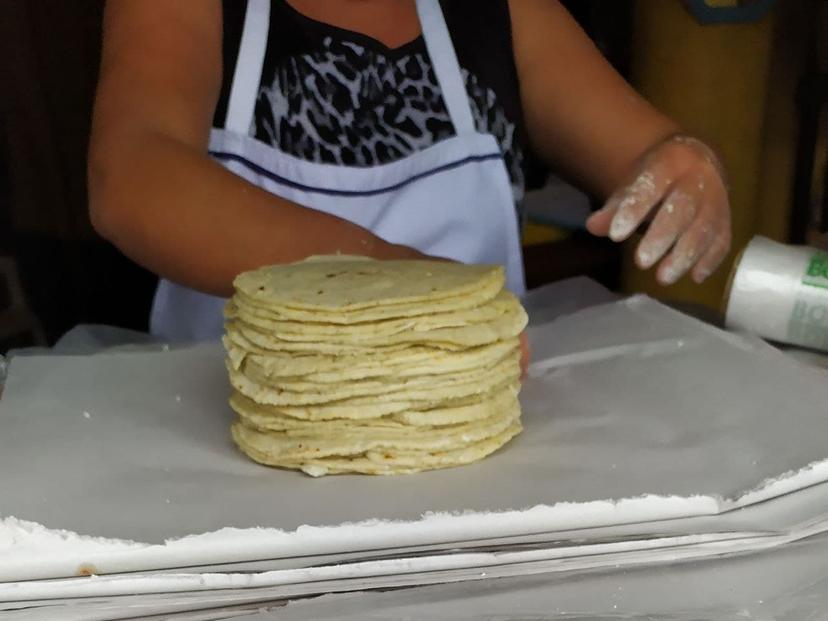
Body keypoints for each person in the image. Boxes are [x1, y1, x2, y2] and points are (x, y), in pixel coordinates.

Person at [89, 0, 731, 344]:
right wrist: (389, 280)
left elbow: (647, 153)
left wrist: (683, 165)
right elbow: (134, 178)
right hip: (235, 437)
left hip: (474, 443)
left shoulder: (504, 10)